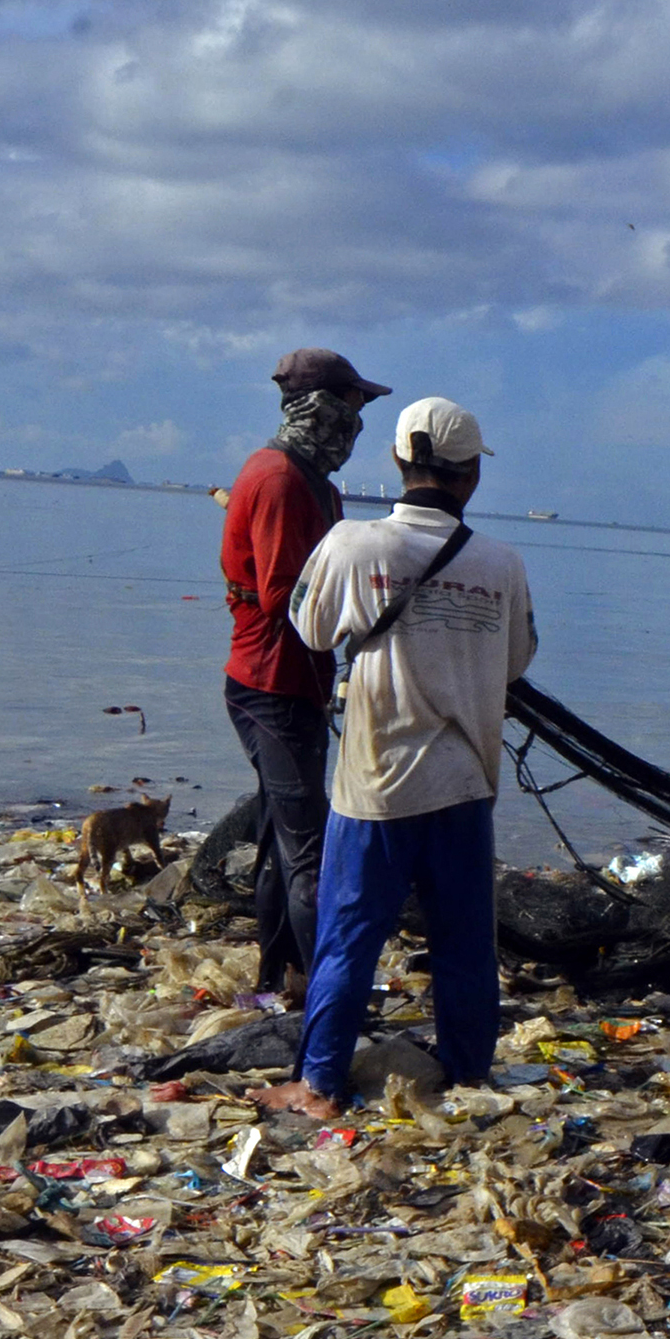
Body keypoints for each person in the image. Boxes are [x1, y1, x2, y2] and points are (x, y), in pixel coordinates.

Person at [251, 398, 537, 1118]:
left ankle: (319, 1084)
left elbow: (312, 630)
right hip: (467, 779)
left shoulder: (354, 543)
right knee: (466, 942)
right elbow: (515, 661)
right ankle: (469, 1074)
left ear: (400, 462)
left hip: (378, 782)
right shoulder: (502, 563)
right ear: (470, 475)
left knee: (350, 934)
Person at [219, 347, 391, 1003]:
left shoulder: (315, 483)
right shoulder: (280, 481)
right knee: (310, 854)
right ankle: (331, 1001)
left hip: (293, 684)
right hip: (272, 685)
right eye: (353, 406)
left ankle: (276, 982)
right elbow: (285, 597)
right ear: (321, 408)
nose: (359, 422)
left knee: (279, 841)